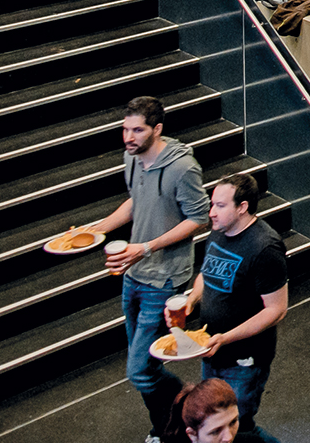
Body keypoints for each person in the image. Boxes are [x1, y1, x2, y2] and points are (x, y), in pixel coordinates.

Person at [78, 96, 211, 443]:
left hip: (164, 280)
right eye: (125, 129)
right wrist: (96, 229)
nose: (128, 137)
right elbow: (136, 202)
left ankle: (191, 405)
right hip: (133, 274)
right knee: (147, 367)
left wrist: (146, 247)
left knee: (139, 371)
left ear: (157, 129)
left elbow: (199, 218)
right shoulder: (132, 158)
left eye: (137, 130)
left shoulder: (183, 168)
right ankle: (165, 430)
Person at [183, 173, 288, 443]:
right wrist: (192, 299)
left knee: (238, 427)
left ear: (242, 207)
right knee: (217, 422)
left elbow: (276, 310)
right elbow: (207, 272)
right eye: (212, 204)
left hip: (244, 360)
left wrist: (226, 338)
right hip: (212, 350)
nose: (211, 213)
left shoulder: (265, 248)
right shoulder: (219, 231)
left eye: (220, 205)